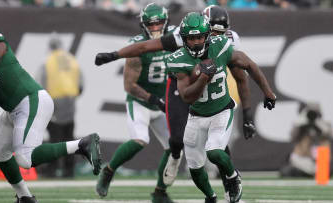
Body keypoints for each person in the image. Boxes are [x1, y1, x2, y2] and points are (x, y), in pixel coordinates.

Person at [95, 6, 259, 202]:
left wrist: (248, 114)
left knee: (217, 144)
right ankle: (122, 169)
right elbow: (143, 49)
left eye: (219, 32)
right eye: (211, 32)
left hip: (203, 91)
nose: (214, 36)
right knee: (168, 141)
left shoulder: (226, 42)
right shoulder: (180, 36)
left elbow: (241, 77)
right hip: (169, 92)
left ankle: (224, 185)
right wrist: (114, 55)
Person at [165, 12, 276, 203]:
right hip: (196, 115)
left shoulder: (221, 46)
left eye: (200, 37)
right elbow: (186, 96)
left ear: (208, 35)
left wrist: (268, 92)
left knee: (215, 151)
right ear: (184, 39)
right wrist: (203, 78)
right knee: (195, 168)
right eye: (191, 38)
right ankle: (211, 197)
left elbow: (249, 65)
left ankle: (233, 178)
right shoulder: (178, 59)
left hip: (221, 111)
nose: (197, 42)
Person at [0, 30, 101, 203]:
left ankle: (81, 145)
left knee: (25, 158)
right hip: (13, 108)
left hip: (30, 100)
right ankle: (25, 197)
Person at [95, 3, 176, 203]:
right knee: (140, 140)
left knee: (175, 148)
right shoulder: (137, 46)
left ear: (166, 23)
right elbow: (129, 85)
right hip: (141, 101)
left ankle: (160, 191)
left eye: (159, 24)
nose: (156, 28)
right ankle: (108, 171)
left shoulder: (176, 38)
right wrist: (153, 99)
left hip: (163, 100)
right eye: (151, 24)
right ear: (143, 25)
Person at [37, 33, 84, 178]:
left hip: (53, 101)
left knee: (54, 138)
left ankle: (52, 169)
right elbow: (81, 84)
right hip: (70, 101)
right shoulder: (72, 60)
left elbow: (39, 83)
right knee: (69, 136)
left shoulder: (47, 61)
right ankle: (69, 170)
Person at [280, 102, 333, 178]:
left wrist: (317, 124)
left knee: (324, 142)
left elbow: (329, 134)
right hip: (304, 158)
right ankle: (307, 171)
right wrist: (301, 124)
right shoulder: (302, 125)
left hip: (319, 159)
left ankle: (314, 171)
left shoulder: (325, 124)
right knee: (295, 156)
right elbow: (292, 137)